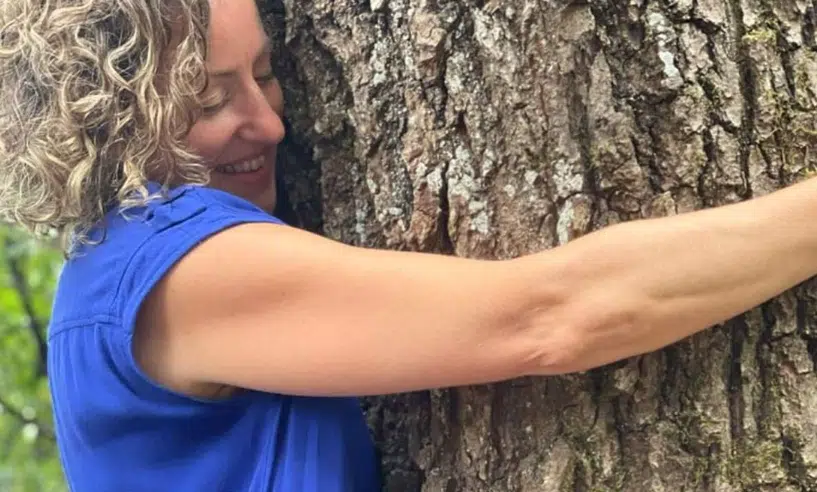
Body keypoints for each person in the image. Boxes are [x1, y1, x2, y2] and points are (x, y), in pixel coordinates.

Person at [1, 0, 816, 490]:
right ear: (108, 121)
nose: (271, 124)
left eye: (267, 73)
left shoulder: (100, 282)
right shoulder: (171, 264)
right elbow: (554, 317)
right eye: (211, 100)